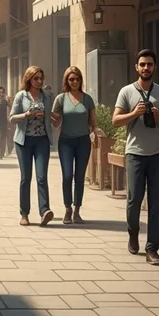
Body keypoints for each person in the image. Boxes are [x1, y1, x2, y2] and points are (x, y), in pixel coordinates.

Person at [113, 49, 159, 265]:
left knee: (156, 202)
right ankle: (133, 232)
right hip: (135, 153)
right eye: (143, 64)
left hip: (158, 153)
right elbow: (115, 121)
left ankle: (152, 249)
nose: (146, 68)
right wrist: (134, 113)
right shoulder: (126, 92)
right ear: (136, 67)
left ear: (155, 67)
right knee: (134, 199)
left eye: (150, 64)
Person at [51, 66, 97, 224]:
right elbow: (55, 122)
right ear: (66, 81)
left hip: (83, 141)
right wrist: (52, 117)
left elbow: (93, 122)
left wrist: (95, 132)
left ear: (80, 80)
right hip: (66, 142)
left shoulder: (87, 99)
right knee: (67, 175)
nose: (74, 82)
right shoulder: (61, 99)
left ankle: (77, 210)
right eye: (71, 79)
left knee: (79, 177)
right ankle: (67, 209)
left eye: (77, 79)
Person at [10, 65, 54, 227]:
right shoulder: (21, 96)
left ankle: (45, 211)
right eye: (36, 78)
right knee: (25, 178)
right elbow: (12, 118)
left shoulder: (47, 96)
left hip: (42, 140)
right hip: (24, 142)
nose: (39, 81)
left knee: (42, 177)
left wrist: (48, 116)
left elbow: (52, 118)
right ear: (29, 79)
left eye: (41, 78)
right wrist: (26, 115)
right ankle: (24, 213)